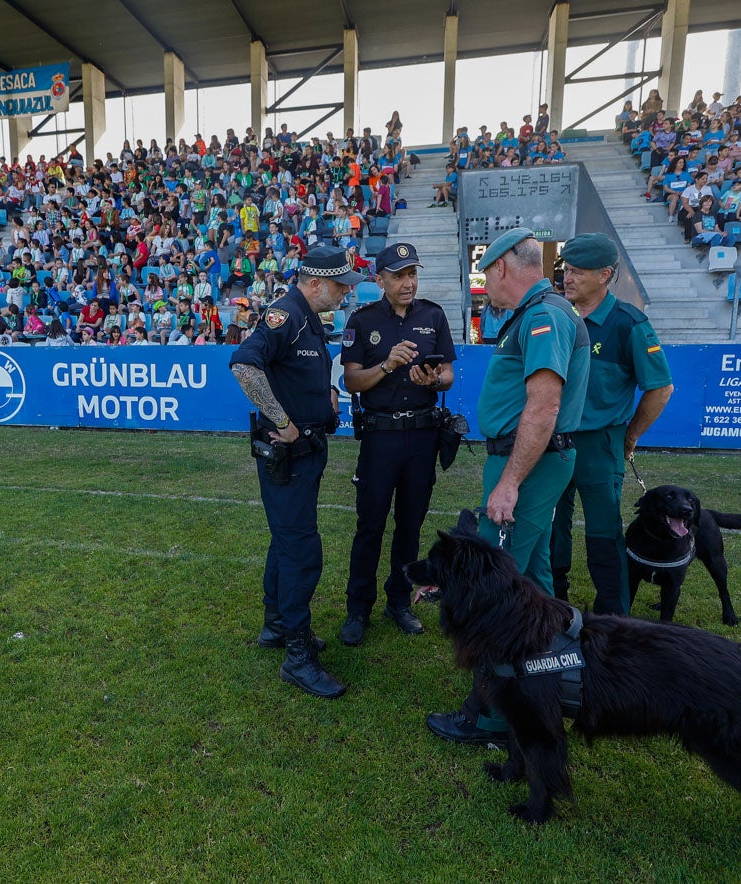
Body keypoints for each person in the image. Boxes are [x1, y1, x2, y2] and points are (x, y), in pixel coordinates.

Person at [420, 227, 590, 747]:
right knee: (533, 583)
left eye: (484, 276)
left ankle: (492, 717)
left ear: (498, 269)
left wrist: (510, 482)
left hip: (527, 465)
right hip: (532, 461)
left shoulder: (542, 316)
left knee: (498, 591)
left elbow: (543, 406)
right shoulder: (546, 313)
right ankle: (552, 688)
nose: (484, 288)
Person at [229, 245, 360, 699]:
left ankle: (277, 626)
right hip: (290, 454)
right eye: (341, 284)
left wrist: (322, 391)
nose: (346, 292)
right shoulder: (287, 313)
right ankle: (298, 657)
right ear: (315, 282)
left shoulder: (307, 317)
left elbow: (296, 371)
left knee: (286, 542)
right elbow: (245, 366)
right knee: (301, 550)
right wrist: (283, 422)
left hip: (305, 451)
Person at [338, 243, 456, 646]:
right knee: (369, 525)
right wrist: (387, 365)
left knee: (410, 525)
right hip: (380, 437)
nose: (408, 283)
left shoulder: (433, 315)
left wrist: (432, 381)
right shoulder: (362, 318)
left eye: (413, 274)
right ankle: (358, 608)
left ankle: (399, 600)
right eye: (400, 275)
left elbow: (449, 376)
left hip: (423, 436)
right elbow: (350, 381)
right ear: (380, 279)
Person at [549, 234, 674, 616]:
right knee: (551, 527)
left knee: (603, 532)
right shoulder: (554, 315)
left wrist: (630, 435)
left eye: (577, 272)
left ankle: (613, 616)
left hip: (600, 444)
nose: (567, 278)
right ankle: (554, 603)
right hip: (551, 441)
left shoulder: (628, 323)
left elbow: (660, 388)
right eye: (565, 270)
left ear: (605, 275)